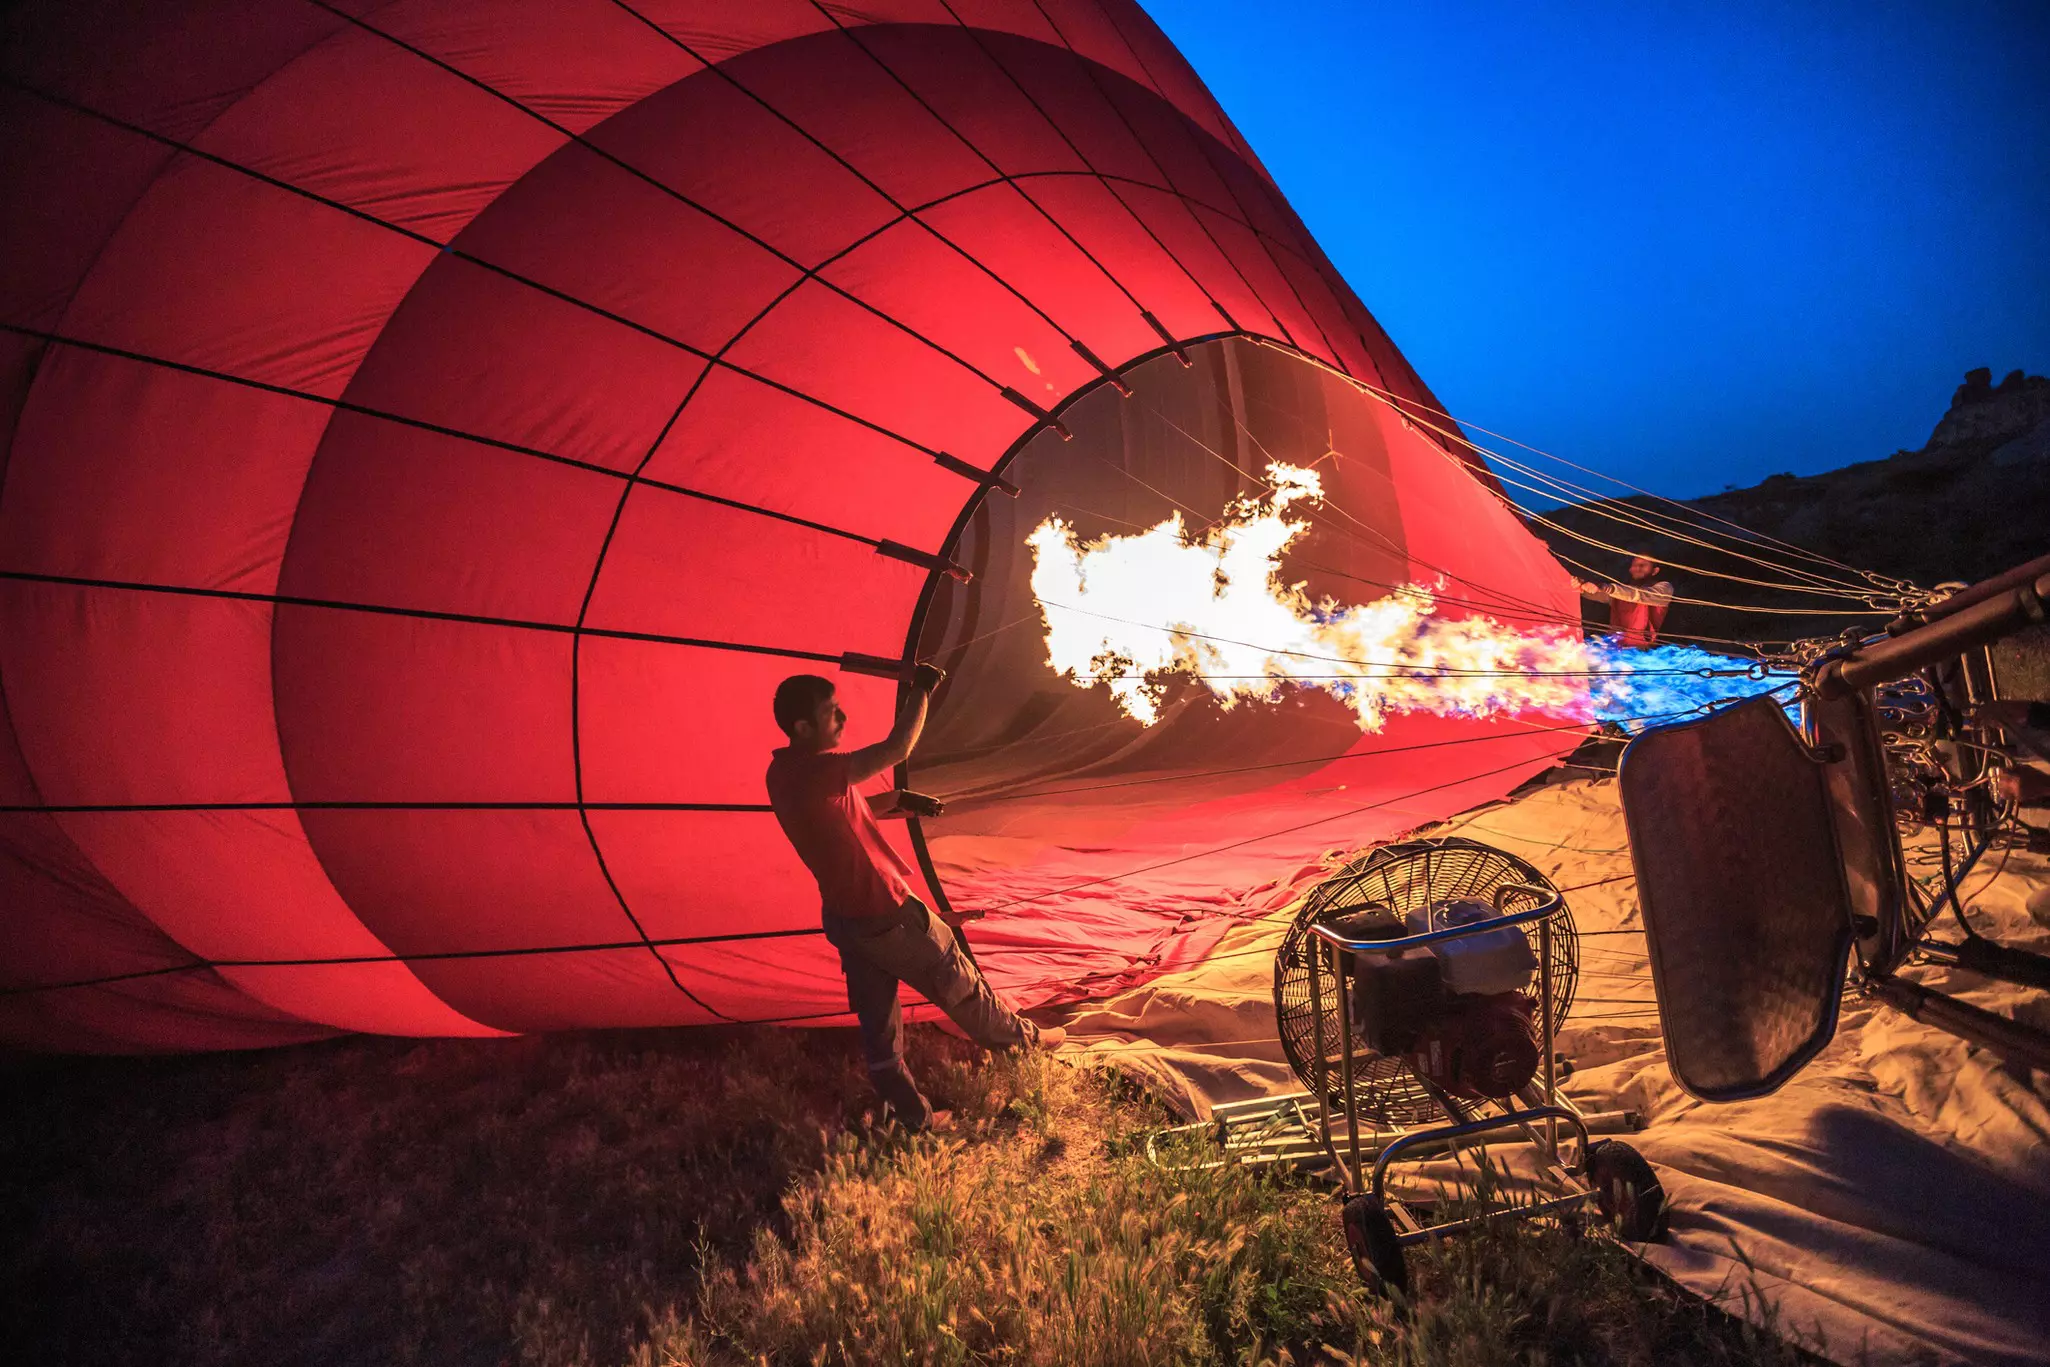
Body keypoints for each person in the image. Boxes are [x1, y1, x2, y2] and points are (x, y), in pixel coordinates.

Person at [765, 666, 1063, 1132]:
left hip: (846, 920)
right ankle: (1028, 1043)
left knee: (879, 1033)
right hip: (887, 914)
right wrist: (921, 688)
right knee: (959, 983)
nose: (842, 717)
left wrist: (902, 800)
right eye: (830, 713)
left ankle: (913, 1120)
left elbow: (843, 811)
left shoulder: (783, 773)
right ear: (803, 728)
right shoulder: (819, 770)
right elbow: (896, 748)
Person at [1577, 555, 1674, 648]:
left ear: (1654, 571)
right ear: (1630, 569)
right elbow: (1597, 593)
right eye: (1634, 564)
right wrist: (1581, 585)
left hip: (1639, 651)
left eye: (1643, 565)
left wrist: (1606, 588)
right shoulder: (1620, 590)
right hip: (1613, 646)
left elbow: (1640, 595)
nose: (1637, 568)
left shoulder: (1664, 588)